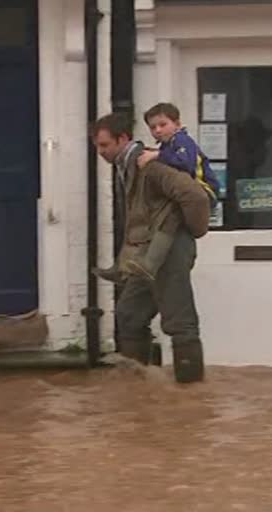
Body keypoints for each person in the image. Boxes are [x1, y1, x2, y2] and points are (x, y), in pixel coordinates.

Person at [91, 112, 210, 383]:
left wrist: (191, 232)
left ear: (123, 139)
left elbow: (195, 197)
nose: (99, 152)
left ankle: (191, 397)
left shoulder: (149, 165)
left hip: (170, 251)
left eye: (104, 145)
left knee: (179, 321)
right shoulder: (127, 165)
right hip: (147, 256)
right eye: (97, 146)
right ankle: (138, 390)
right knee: (129, 313)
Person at [124, 102, 219, 281]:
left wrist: (156, 156)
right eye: (153, 127)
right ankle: (141, 261)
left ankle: (150, 263)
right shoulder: (167, 145)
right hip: (184, 193)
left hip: (205, 189)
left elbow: (186, 163)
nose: (158, 130)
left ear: (177, 123)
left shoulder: (182, 140)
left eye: (163, 124)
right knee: (164, 216)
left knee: (171, 214)